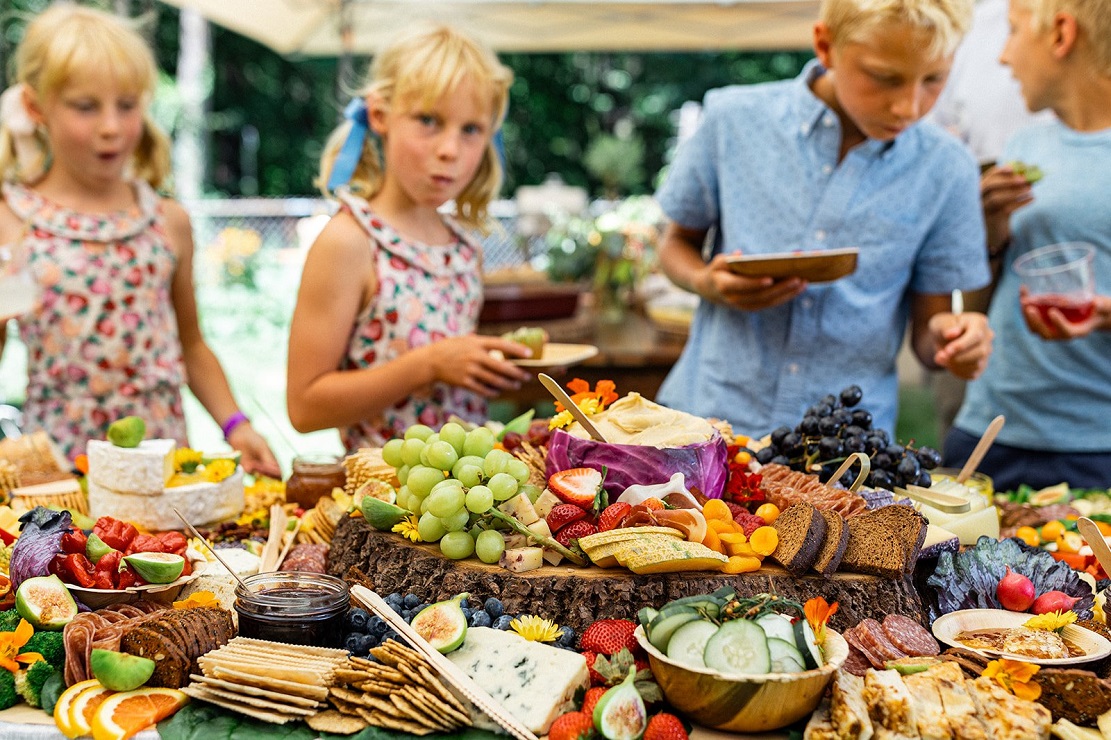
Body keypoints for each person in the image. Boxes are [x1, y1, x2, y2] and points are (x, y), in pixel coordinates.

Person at [653, 0, 994, 439]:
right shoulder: (732, 120)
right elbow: (675, 242)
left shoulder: (948, 168)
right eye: (884, 77)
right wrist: (706, 282)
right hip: (709, 421)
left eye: (934, 79)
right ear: (825, 46)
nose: (908, 107)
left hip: (844, 446)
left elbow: (931, 332)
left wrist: (954, 340)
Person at [0, 5, 279, 477]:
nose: (111, 126)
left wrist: (236, 425)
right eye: (86, 107)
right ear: (35, 108)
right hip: (63, 472)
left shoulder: (167, 221)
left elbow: (191, 345)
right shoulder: (11, 222)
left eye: (126, 106)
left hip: (163, 466)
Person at [286, 24, 532, 450]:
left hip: (465, 502)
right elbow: (305, 407)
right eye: (429, 121)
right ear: (380, 115)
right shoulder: (350, 241)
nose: (450, 150)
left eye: (471, 129)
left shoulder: (463, 250)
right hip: (380, 502)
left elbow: (450, 389)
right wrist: (429, 364)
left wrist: (486, 369)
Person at [944, 0, 1111, 490]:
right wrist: (990, 230)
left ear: (1061, 34)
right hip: (989, 430)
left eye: (1014, 32)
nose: (1002, 57)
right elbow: (978, 300)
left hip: (1095, 446)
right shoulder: (1024, 146)